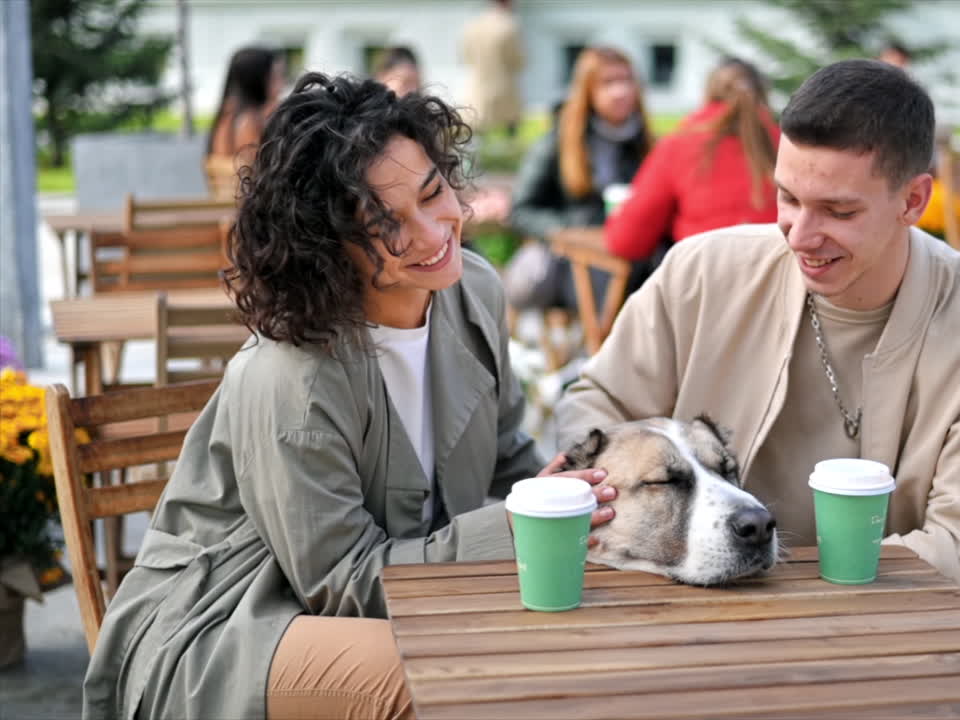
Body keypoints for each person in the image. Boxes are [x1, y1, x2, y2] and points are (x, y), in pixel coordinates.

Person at [83, 73, 616, 720]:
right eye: (386, 225)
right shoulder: (291, 375)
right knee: (434, 681)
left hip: (392, 595)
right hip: (230, 618)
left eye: (433, 192)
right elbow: (342, 582)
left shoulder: (473, 290)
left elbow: (505, 454)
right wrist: (507, 530)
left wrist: (564, 505)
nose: (432, 234)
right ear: (327, 246)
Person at [555, 59, 960, 611]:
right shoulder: (702, 272)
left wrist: (792, 594)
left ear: (913, 201)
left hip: (887, 627)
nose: (801, 236)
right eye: (788, 198)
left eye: (838, 211)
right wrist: (601, 503)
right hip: (692, 610)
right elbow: (597, 407)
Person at [505, 46, 653, 310]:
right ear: (588, 90)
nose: (621, 91)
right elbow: (521, 211)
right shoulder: (559, 141)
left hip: (632, 256)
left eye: (627, 80)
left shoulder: (645, 144)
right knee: (601, 277)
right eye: (609, 82)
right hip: (574, 259)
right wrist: (573, 229)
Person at [603, 57, 780, 263]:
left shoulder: (680, 144)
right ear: (764, 94)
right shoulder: (789, 145)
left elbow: (626, 241)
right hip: (780, 275)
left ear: (708, 93)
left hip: (706, 273)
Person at [206, 46, 286, 167]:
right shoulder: (248, 120)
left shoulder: (230, 113)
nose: (282, 84)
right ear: (256, 80)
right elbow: (261, 167)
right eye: (275, 77)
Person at [460, 0, 525, 138]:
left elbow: (466, 57)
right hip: (503, 91)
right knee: (509, 138)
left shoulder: (473, 26)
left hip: (476, 90)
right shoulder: (509, 27)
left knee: (476, 137)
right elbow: (517, 62)